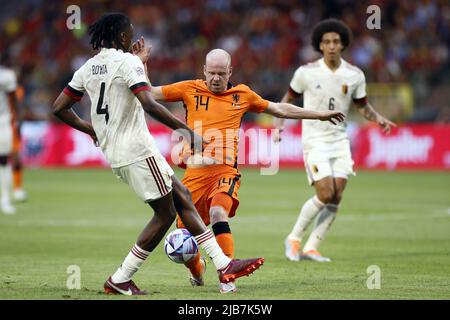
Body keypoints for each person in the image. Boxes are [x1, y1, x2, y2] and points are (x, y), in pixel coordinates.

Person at [52, 12, 265, 296]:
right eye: (130, 32)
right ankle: (121, 277)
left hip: (118, 151)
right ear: (124, 37)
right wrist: (186, 131)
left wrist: (91, 129)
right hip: (137, 149)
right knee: (165, 215)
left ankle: (223, 264)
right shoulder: (127, 62)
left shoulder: (88, 67)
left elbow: (59, 108)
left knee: (182, 198)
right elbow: (149, 103)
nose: (132, 36)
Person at [146, 46, 345, 292]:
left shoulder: (243, 95)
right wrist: (140, 63)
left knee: (219, 213)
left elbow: (279, 108)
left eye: (221, 73)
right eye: (212, 73)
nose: (216, 78)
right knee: (184, 242)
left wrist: (319, 115)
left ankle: (228, 277)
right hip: (194, 177)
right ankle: (198, 270)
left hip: (225, 172)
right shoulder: (188, 88)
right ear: (204, 71)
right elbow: (150, 93)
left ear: (230, 71)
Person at [273, 18, 396, 262]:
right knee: (326, 192)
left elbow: (362, 107)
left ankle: (311, 247)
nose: (331, 46)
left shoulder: (354, 75)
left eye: (336, 42)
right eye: (326, 42)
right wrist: (279, 126)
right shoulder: (306, 73)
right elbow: (287, 99)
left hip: (340, 141)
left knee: (337, 195)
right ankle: (294, 238)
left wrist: (379, 119)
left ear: (343, 45)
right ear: (319, 45)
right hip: (314, 140)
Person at [0, 59, 18, 214]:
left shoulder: (6, 76)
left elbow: (13, 99)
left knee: (4, 160)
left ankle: (5, 198)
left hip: (2, 120)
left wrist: (15, 120)